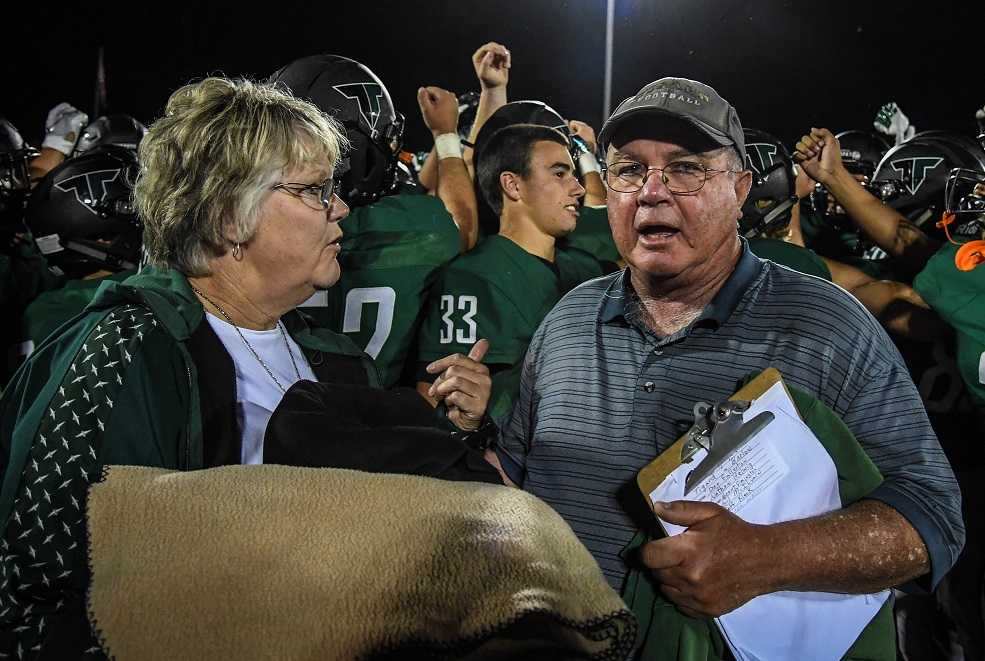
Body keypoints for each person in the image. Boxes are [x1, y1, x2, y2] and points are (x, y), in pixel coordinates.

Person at [0, 77, 492, 658]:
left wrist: (450, 431)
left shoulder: (337, 360)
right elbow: (33, 603)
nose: (339, 206)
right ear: (227, 218)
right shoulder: (127, 348)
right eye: (313, 190)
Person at [497, 77, 963, 623]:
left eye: (686, 168)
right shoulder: (568, 320)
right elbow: (514, 471)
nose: (651, 191)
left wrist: (769, 558)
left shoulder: (828, 324)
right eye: (627, 169)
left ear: (740, 190)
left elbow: (934, 517)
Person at [268, 54, 478, 387]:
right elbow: (462, 225)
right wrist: (446, 135)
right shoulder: (410, 225)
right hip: (369, 423)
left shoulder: (251, 226)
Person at [415, 124, 602, 420]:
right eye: (559, 173)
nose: (578, 188)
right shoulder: (471, 277)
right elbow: (433, 397)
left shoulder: (587, 268)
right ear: (513, 185)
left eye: (574, 174)